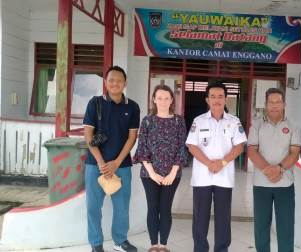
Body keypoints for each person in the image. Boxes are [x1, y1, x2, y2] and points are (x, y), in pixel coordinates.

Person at [83, 66, 140, 252]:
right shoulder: (95, 103)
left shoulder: (132, 107)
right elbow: (88, 135)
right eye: (111, 80)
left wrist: (116, 162)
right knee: (93, 207)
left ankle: (120, 241)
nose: (115, 83)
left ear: (125, 82)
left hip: (121, 165)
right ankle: (96, 244)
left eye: (119, 80)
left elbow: (132, 137)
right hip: (95, 165)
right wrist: (101, 163)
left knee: (122, 207)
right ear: (106, 82)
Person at [186, 81, 247, 252]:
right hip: (202, 178)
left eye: (220, 96)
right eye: (213, 96)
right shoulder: (199, 121)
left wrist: (222, 163)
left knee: (223, 218)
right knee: (200, 218)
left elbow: (239, 146)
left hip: (224, 178)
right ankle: (200, 248)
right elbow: (192, 146)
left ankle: (221, 249)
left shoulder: (234, 122)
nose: (217, 100)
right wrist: (209, 164)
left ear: (226, 99)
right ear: (207, 99)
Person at [134, 84, 188, 252]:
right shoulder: (148, 121)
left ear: (172, 100)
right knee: (153, 207)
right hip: (149, 174)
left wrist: (173, 171)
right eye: (159, 98)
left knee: (165, 208)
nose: (163, 101)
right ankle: (153, 245)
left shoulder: (179, 121)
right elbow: (141, 147)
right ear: (154, 100)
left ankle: (163, 245)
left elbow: (182, 147)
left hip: (172, 174)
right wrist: (152, 173)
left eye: (166, 98)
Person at [247, 88, 301, 252]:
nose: (275, 105)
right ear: (265, 104)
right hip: (261, 184)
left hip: (285, 184)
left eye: (278, 102)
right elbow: (251, 151)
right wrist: (268, 170)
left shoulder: (293, 126)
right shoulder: (256, 125)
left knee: (286, 226)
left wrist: (279, 169)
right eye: (271, 102)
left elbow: (295, 152)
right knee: (261, 226)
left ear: (284, 104)